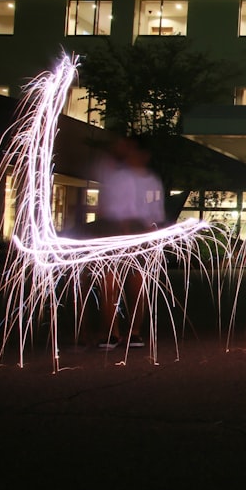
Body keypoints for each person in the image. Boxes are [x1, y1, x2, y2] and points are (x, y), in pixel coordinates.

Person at [96, 135, 166, 350]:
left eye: (133, 150)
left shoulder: (150, 182)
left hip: (136, 233)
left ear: (144, 155)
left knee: (136, 284)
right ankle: (111, 333)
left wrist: (147, 230)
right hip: (115, 233)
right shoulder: (117, 178)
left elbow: (155, 214)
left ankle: (133, 332)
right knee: (110, 284)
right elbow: (105, 207)